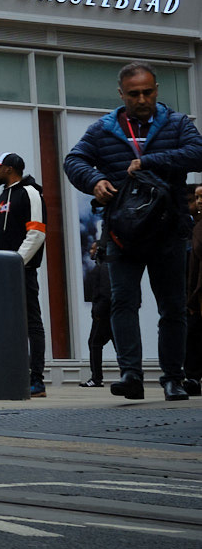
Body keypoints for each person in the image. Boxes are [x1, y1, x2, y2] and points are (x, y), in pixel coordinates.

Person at [64, 62, 202, 400]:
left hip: (168, 231)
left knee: (172, 307)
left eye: (148, 92)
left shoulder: (178, 124)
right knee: (122, 303)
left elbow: (198, 153)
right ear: (121, 94)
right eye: (134, 94)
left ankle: (172, 378)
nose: (142, 99)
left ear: (156, 90)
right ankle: (131, 375)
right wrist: (94, 181)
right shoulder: (103, 130)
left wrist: (151, 161)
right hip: (122, 233)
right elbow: (73, 160)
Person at [0, 153, 49, 396]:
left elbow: (36, 232)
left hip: (21, 270)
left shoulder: (30, 192)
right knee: (6, 325)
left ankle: (37, 379)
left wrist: (16, 262)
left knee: (32, 324)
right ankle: (13, 376)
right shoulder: (2, 196)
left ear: (9, 169)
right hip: (3, 271)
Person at [82, 236, 113, 387]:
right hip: (107, 313)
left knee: (94, 343)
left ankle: (96, 378)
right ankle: (131, 373)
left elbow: (105, 293)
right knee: (116, 343)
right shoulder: (106, 266)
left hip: (103, 314)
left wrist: (98, 312)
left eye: (94, 249)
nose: (91, 251)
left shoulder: (103, 267)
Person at [184, 185, 202, 397]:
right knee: (194, 334)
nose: (199, 201)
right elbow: (193, 269)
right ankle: (193, 378)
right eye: (197, 197)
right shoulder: (196, 228)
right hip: (198, 292)